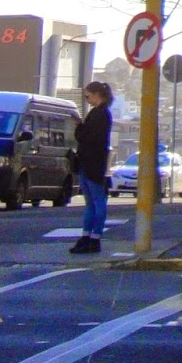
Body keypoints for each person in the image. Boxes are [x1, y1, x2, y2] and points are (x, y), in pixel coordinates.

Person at [70, 81, 113, 255]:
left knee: (96, 202)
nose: (87, 99)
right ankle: (88, 236)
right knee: (92, 203)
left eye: (88, 96)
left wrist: (80, 127)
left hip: (93, 164)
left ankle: (93, 238)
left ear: (97, 95)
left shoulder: (101, 114)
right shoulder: (98, 113)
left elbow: (87, 138)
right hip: (89, 163)